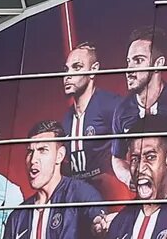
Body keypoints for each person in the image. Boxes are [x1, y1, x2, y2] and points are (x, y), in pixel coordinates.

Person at [53, 43, 134, 185]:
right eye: (66, 69)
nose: (68, 75)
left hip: (112, 194)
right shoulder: (66, 120)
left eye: (77, 67)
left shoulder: (111, 105)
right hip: (80, 196)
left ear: (93, 70)